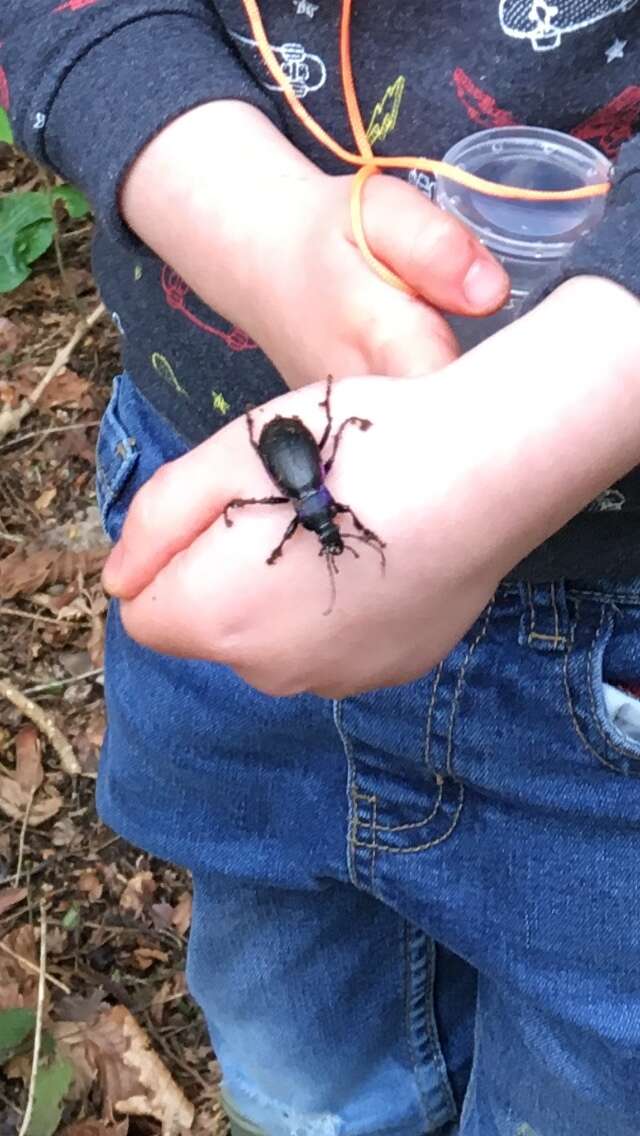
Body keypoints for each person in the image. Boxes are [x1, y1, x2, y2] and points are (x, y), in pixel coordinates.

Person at [3, 3, 640, 1133]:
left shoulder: (310, 503)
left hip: (605, 651)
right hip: (219, 526)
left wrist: (518, 441)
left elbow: (312, 499)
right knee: (295, 1032)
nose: (333, 531)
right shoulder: (310, 502)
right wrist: (250, 222)